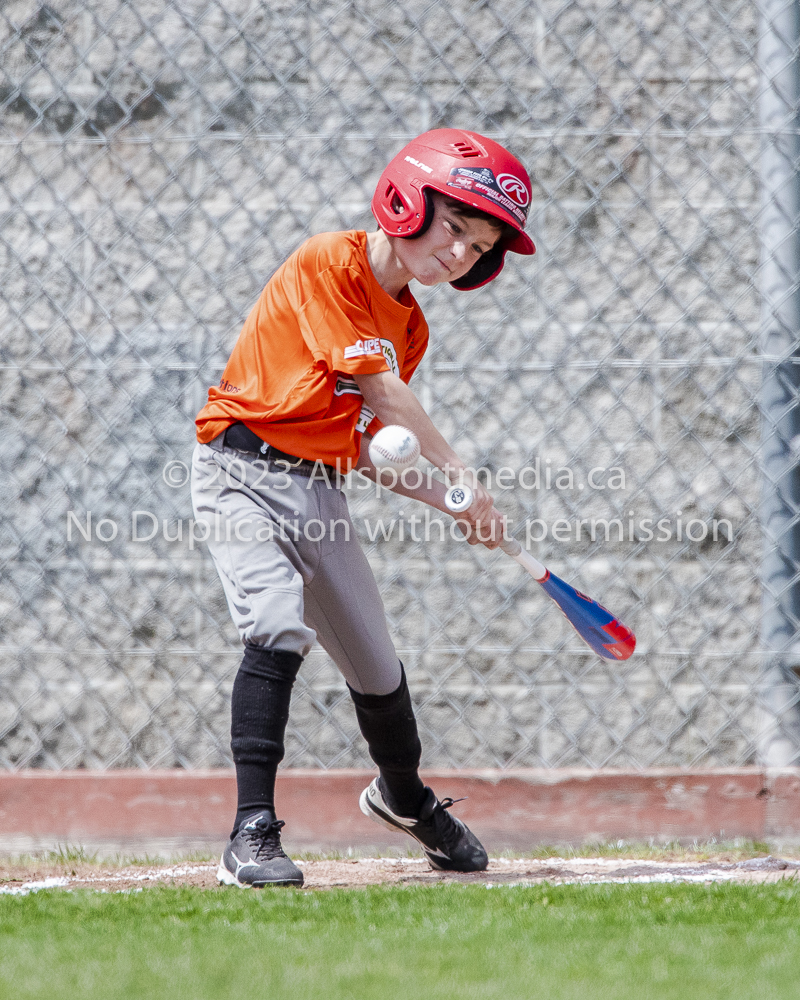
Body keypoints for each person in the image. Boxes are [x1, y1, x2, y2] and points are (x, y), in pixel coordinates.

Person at [191, 128, 535, 887]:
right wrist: (459, 471)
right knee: (276, 623)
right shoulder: (328, 263)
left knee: (377, 667)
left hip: (319, 487)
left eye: (477, 248)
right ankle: (251, 831)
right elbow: (381, 392)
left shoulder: (410, 325)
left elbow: (370, 441)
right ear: (406, 200)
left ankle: (404, 798)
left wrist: (454, 503)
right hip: (238, 473)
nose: (459, 254)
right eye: (454, 227)